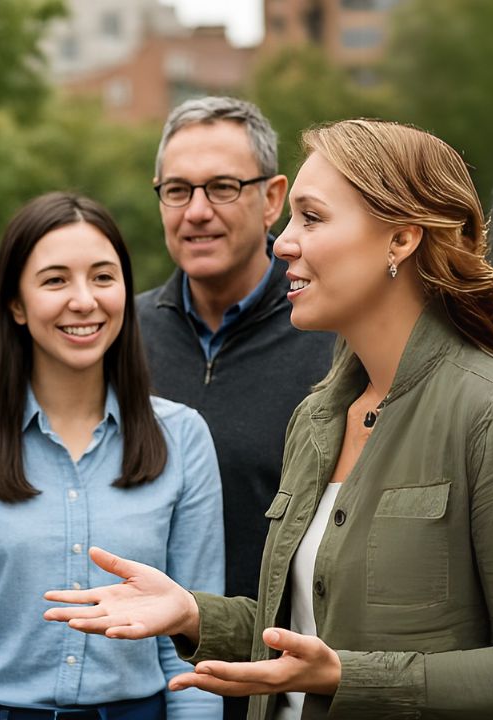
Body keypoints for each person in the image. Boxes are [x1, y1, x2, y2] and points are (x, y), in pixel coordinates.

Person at [44, 120, 493, 719]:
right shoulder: (319, 417)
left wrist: (347, 676)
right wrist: (191, 612)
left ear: (401, 240)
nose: (283, 243)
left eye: (311, 218)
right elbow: (297, 640)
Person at [0, 192, 225, 720]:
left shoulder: (182, 438)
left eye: (102, 277)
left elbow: (193, 633)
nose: (83, 300)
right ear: (16, 304)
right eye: (54, 280)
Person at [136, 97, 335, 608]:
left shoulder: (334, 338)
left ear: (272, 199)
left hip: (285, 668)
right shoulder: (121, 337)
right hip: (143, 665)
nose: (197, 212)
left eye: (223, 188)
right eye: (177, 191)